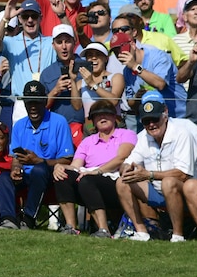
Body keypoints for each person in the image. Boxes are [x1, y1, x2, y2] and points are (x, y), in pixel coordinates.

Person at [116, 91, 197, 242]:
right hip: (160, 192)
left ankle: (178, 235)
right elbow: (129, 161)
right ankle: (142, 232)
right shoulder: (142, 137)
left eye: (155, 119)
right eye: (147, 121)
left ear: (165, 114)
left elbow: (182, 175)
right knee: (122, 181)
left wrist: (149, 175)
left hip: (190, 191)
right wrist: (126, 168)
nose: (151, 124)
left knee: (169, 182)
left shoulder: (182, 132)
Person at [0, 81, 74, 230]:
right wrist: (15, 169)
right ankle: (8, 219)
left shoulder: (59, 122)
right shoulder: (19, 125)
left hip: (52, 175)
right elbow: (15, 157)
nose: (33, 107)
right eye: (29, 102)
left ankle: (29, 218)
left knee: (39, 170)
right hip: (26, 174)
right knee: (4, 177)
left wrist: (40, 161)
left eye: (37, 103)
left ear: (45, 101)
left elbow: (68, 159)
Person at [53, 100, 137, 236]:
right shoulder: (87, 141)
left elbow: (121, 158)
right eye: (98, 115)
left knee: (88, 180)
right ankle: (71, 227)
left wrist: (97, 171)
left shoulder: (126, 134)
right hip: (89, 179)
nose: (102, 117)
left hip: (116, 180)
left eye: (106, 114)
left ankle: (103, 229)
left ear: (114, 117)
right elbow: (75, 166)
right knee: (64, 175)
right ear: (92, 120)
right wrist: (60, 166)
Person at [109, 17, 186, 124]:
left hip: (178, 117)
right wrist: (137, 97)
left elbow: (160, 84)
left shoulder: (157, 56)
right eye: (115, 52)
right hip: (152, 121)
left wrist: (136, 67)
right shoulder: (127, 71)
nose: (119, 54)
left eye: (122, 48)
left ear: (133, 44)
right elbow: (130, 102)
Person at [0, 0, 56, 124]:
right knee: (20, 143)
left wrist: (62, 15)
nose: (30, 20)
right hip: (22, 102)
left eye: (34, 16)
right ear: (20, 19)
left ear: (40, 18)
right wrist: (6, 18)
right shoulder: (12, 41)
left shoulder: (51, 42)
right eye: (26, 16)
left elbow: (71, 42)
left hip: (47, 101)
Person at [39, 24, 85, 147]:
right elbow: (41, 107)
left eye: (68, 42)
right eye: (59, 42)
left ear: (74, 43)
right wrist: (55, 90)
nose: (64, 47)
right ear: (53, 45)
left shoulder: (86, 68)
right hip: (58, 130)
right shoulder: (47, 73)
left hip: (86, 128)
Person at [176, 0, 197, 130]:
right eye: (192, 9)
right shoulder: (175, 40)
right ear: (184, 16)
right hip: (179, 96)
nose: (196, 12)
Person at [77, 42, 125, 123]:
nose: (94, 58)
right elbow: (77, 107)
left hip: (114, 127)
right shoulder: (80, 83)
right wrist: (72, 79)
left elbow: (114, 101)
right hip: (90, 129)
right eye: (90, 55)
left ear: (106, 58)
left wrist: (93, 84)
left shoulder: (116, 77)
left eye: (98, 55)